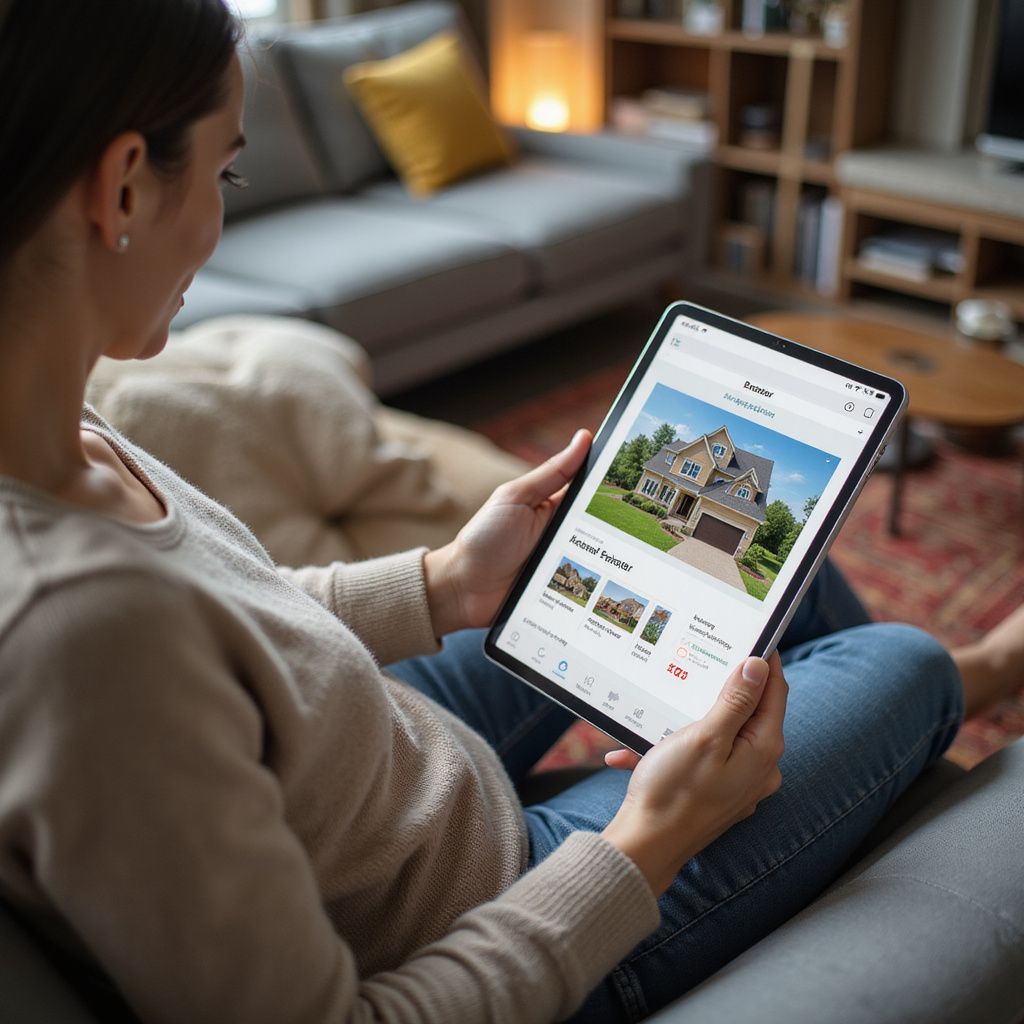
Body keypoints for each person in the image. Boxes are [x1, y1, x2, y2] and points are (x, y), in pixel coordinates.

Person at [0, 2, 1021, 1021]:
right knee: (904, 662)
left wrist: (446, 582)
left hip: (379, 756)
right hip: (492, 891)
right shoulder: (83, 634)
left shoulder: (54, 427)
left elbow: (234, 618)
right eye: (227, 173)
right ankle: (968, 682)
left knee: (749, 561)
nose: (224, 221)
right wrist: (651, 840)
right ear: (124, 183)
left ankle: (870, 755)